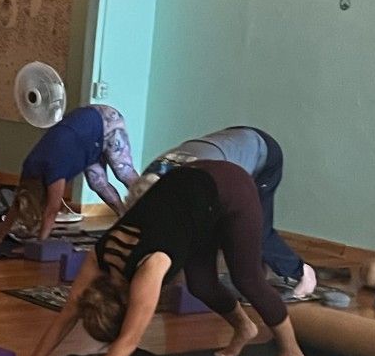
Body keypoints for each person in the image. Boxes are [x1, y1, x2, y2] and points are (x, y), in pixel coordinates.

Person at [0, 160, 305, 356]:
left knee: (247, 278)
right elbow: (67, 314)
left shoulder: (149, 267)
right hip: (191, 199)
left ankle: (292, 354)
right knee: (201, 284)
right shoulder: (99, 256)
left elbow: (128, 341)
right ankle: (244, 328)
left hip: (229, 187)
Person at [124, 125, 314, 292]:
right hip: (231, 142)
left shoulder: (193, 185)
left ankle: (302, 272)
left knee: (255, 232)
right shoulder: (150, 179)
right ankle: (260, 269)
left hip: (262, 155)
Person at [0, 104, 140, 242]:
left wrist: (38, 246)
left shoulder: (55, 171)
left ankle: (149, 203)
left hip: (105, 120)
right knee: (97, 183)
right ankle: (124, 218)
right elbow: (19, 202)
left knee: (123, 172)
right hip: (84, 138)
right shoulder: (30, 168)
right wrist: (0, 235)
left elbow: (51, 211)